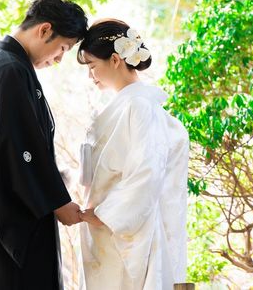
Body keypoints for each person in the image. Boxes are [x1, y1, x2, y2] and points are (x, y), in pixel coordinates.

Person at [0, 0, 89, 290]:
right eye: (63, 48)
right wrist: (58, 202)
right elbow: (19, 149)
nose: (59, 60)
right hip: (6, 229)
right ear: (44, 30)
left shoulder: (1, 63)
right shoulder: (10, 70)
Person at [77, 19, 189, 290]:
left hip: (126, 233)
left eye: (92, 66)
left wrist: (104, 214)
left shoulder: (139, 106)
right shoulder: (127, 104)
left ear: (115, 60)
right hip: (108, 230)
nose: (90, 76)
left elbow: (146, 173)